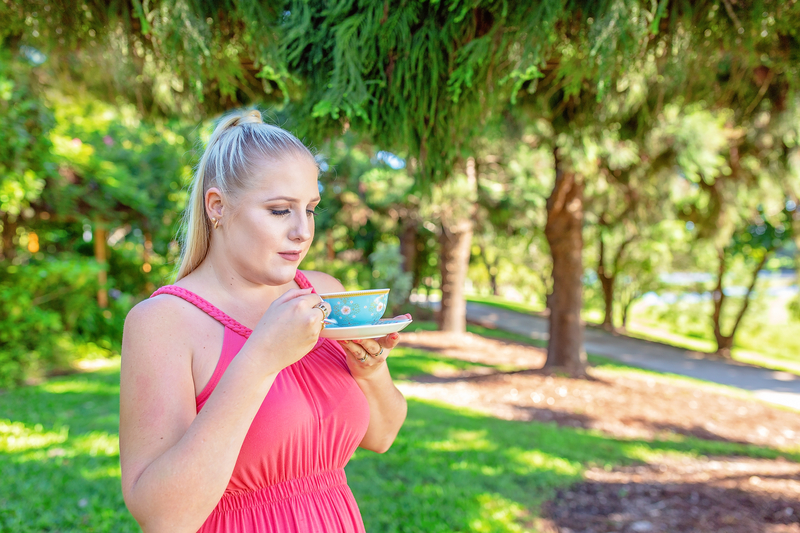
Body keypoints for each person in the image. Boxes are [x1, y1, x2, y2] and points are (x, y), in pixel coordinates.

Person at [119, 109, 409, 533]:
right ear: (217, 207)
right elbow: (164, 519)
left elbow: (382, 437)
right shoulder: (163, 323)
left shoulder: (323, 293)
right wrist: (259, 360)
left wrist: (371, 370)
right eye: (279, 211)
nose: (302, 231)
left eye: (309, 209)